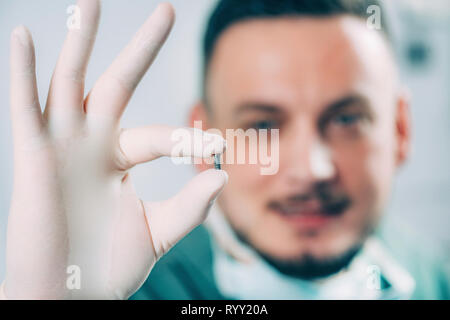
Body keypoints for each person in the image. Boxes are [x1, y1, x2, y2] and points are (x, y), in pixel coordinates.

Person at [1, 0, 448, 300]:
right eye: (263, 125)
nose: (312, 170)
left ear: (400, 130)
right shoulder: (130, 290)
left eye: (348, 119)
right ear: (202, 140)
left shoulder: (433, 278)